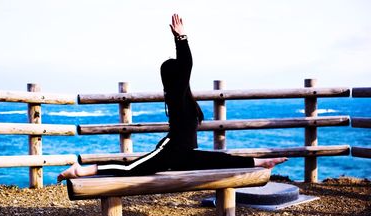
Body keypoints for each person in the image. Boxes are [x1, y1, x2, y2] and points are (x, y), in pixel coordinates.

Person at [57, 14, 287, 182]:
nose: (184, 74)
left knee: (220, 160)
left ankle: (260, 162)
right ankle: (80, 169)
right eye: (179, 71)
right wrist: (181, 38)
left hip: (185, 154)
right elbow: (186, 64)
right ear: (174, 76)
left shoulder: (185, 97)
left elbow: (184, 68)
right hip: (170, 151)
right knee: (130, 169)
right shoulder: (176, 95)